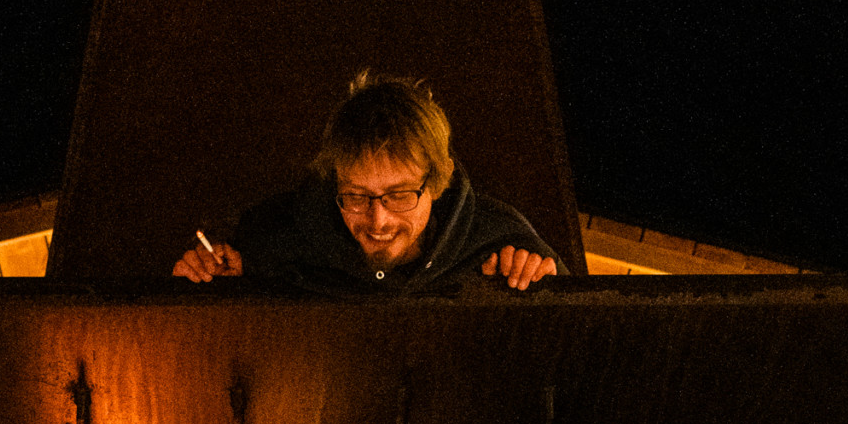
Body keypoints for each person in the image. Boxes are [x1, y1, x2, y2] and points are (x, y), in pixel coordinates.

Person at [172, 71, 561, 295]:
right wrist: (206, 288)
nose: (377, 222)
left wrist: (541, 283)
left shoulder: (497, 237)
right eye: (356, 196)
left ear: (439, 182)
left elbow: (584, 339)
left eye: (400, 195)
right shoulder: (271, 233)